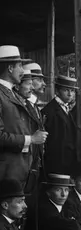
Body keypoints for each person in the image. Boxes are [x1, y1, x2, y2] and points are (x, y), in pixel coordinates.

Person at [0, 46, 47, 187]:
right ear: (10, 68)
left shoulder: (11, 93)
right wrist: (31, 139)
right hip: (6, 173)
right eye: (20, 66)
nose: (23, 71)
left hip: (18, 171)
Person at [15, 69, 45, 193]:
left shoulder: (30, 105)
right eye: (29, 84)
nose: (32, 88)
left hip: (32, 163)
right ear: (17, 86)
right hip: (18, 164)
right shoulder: (15, 106)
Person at [42, 75, 78, 175]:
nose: (70, 94)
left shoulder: (66, 108)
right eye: (66, 90)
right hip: (56, 162)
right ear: (57, 91)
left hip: (67, 162)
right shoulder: (49, 110)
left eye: (72, 91)